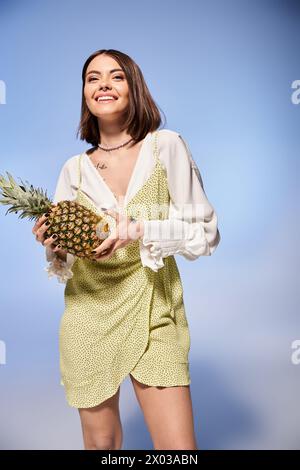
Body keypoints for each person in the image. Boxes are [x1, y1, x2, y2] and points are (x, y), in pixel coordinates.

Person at [32, 49, 220, 450]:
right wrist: (54, 247)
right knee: (101, 446)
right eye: (92, 78)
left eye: (116, 76)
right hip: (89, 311)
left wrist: (139, 229)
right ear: (85, 93)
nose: (103, 84)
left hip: (154, 305)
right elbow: (65, 261)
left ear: (133, 88)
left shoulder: (165, 147)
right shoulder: (74, 169)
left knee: (177, 451)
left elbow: (205, 233)